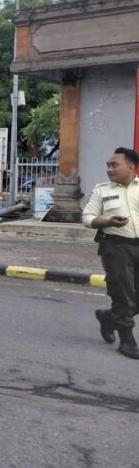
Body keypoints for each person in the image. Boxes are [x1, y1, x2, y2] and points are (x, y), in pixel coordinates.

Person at [82, 147, 139, 359]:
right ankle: (127, 341)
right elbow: (87, 218)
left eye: (114, 165)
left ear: (131, 167)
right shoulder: (102, 190)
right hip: (116, 246)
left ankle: (108, 319)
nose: (109, 169)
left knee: (136, 298)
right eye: (108, 165)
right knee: (122, 294)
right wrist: (108, 222)